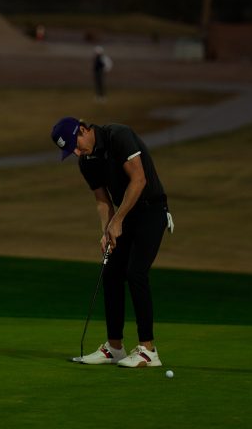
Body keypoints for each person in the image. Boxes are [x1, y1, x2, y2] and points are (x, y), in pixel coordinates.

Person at [51, 116, 173, 368]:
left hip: (152, 210)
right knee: (112, 273)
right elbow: (102, 201)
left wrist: (117, 221)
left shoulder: (118, 136)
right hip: (126, 215)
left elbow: (139, 180)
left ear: (83, 130)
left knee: (136, 272)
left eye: (75, 145)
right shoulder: (86, 161)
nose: (76, 153)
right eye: (70, 151)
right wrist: (107, 231)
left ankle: (148, 351)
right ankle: (115, 347)